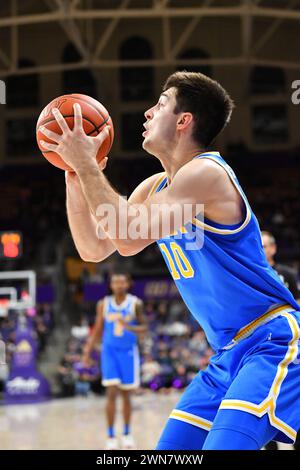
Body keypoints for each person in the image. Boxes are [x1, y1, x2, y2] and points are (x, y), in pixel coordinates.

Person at [39, 70, 300, 450]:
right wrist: (74, 175)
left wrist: (88, 166)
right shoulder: (155, 187)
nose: (146, 113)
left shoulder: (207, 173)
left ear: (184, 121)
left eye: (159, 105)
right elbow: (94, 247)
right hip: (227, 354)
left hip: (270, 341)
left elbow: (127, 237)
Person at [82, 272, 146, 450]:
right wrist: (87, 351)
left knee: (126, 395)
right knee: (111, 392)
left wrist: (128, 326)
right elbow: (98, 329)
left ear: (128, 284)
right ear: (111, 285)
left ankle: (126, 434)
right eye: (115, 282)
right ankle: (110, 436)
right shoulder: (103, 304)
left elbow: (145, 328)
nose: (118, 285)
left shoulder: (135, 304)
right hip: (109, 352)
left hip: (128, 352)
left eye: (121, 281)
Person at [261, 230, 300, 451]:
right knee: (266, 399)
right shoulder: (251, 273)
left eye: (265, 245)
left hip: (291, 341)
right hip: (265, 345)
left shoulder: (287, 273)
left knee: (293, 396)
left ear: (273, 249)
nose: (261, 249)